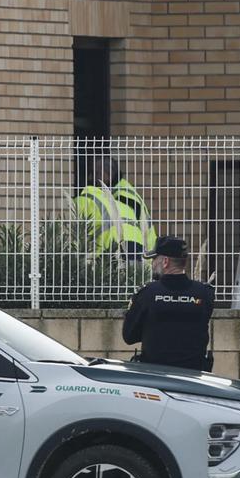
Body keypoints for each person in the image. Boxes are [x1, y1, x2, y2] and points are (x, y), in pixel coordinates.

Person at [122, 235, 214, 371]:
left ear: (165, 262)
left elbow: (129, 336)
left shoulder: (147, 293)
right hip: (195, 377)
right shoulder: (204, 293)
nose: (152, 264)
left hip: (155, 376)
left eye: (154, 259)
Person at [73, 155, 157, 260]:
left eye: (95, 173)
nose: (90, 178)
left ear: (107, 174)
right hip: (139, 252)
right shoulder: (124, 191)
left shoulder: (123, 196)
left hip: (136, 250)